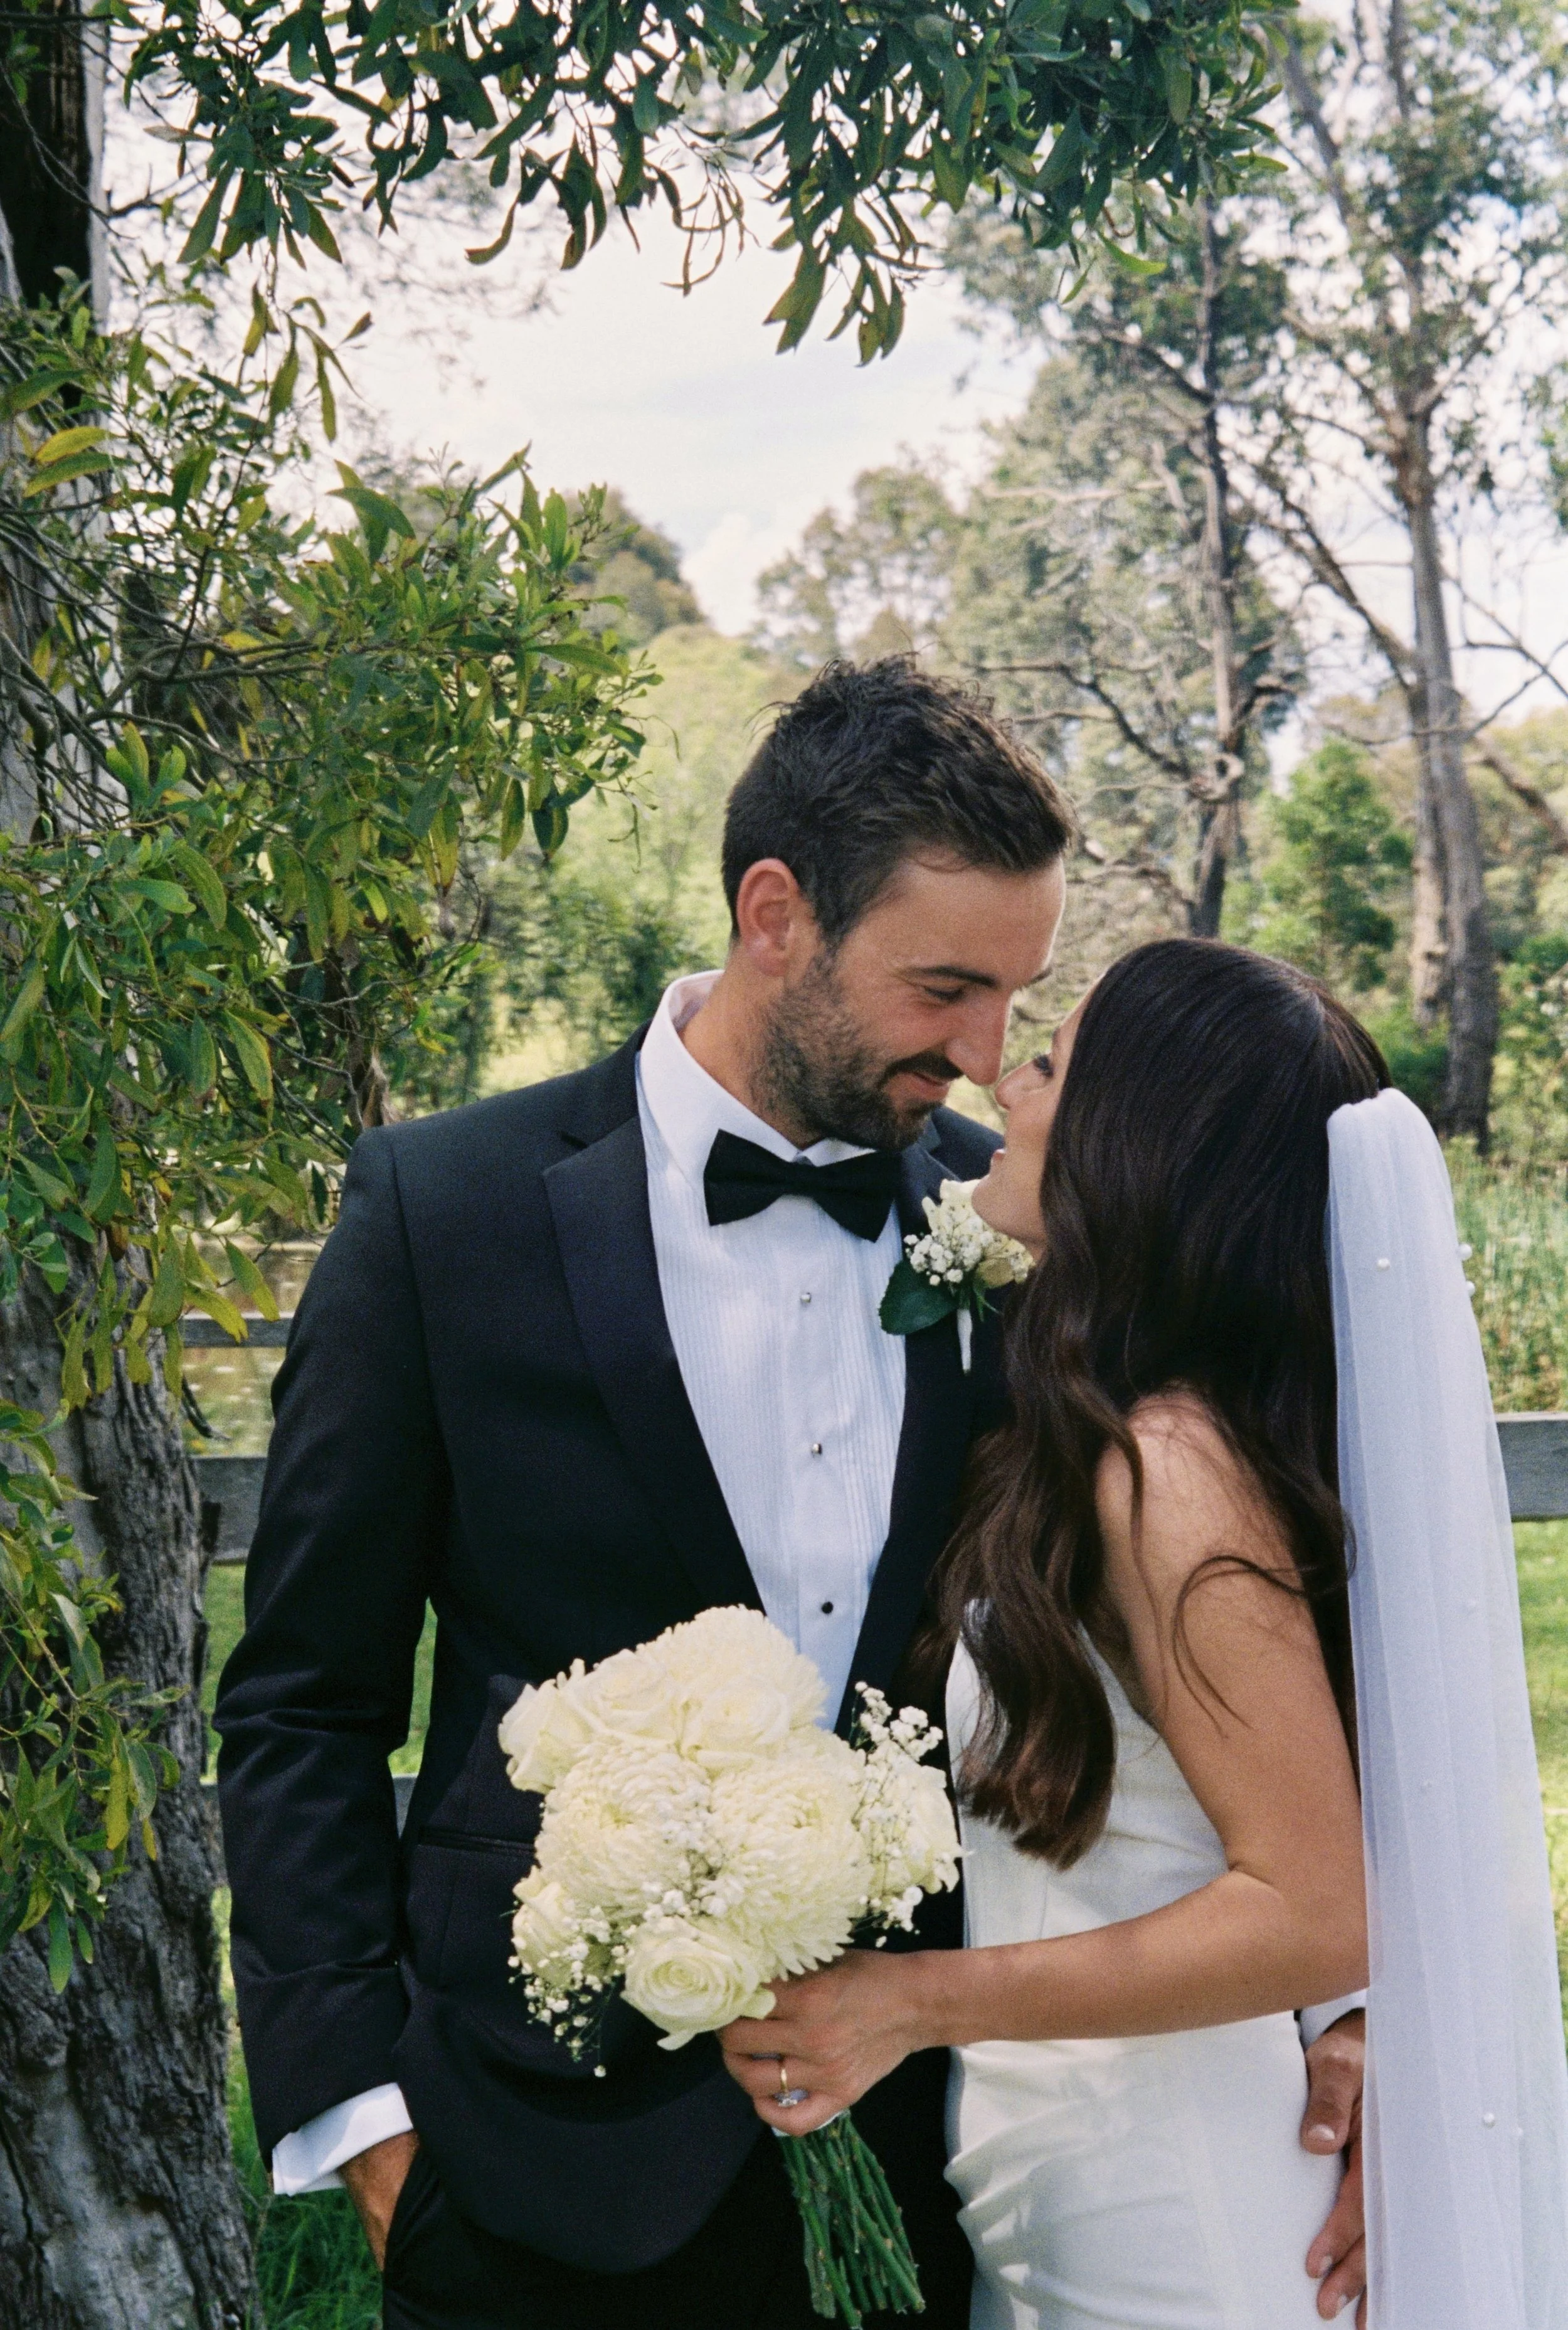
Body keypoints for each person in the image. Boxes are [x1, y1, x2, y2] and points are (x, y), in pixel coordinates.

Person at [218, 675, 1367, 2330]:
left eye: (1015, 1000)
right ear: (777, 918)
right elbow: (303, 1701)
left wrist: (1347, 2013)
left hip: (943, 2166)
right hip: (526, 2163)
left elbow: (1278, 1640)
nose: (981, 1055)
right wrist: (365, 2127)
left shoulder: (1034, 1239)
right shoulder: (439, 1217)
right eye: (945, 986)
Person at [721, 942, 1406, 2325]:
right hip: (1064, 2196)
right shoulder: (1113, 1418)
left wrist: (911, 2001)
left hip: (1177, 2218)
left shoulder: (1167, 1467)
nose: (1001, 1086)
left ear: (1131, 1148)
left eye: (1046, 1065)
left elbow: (1317, 1910)